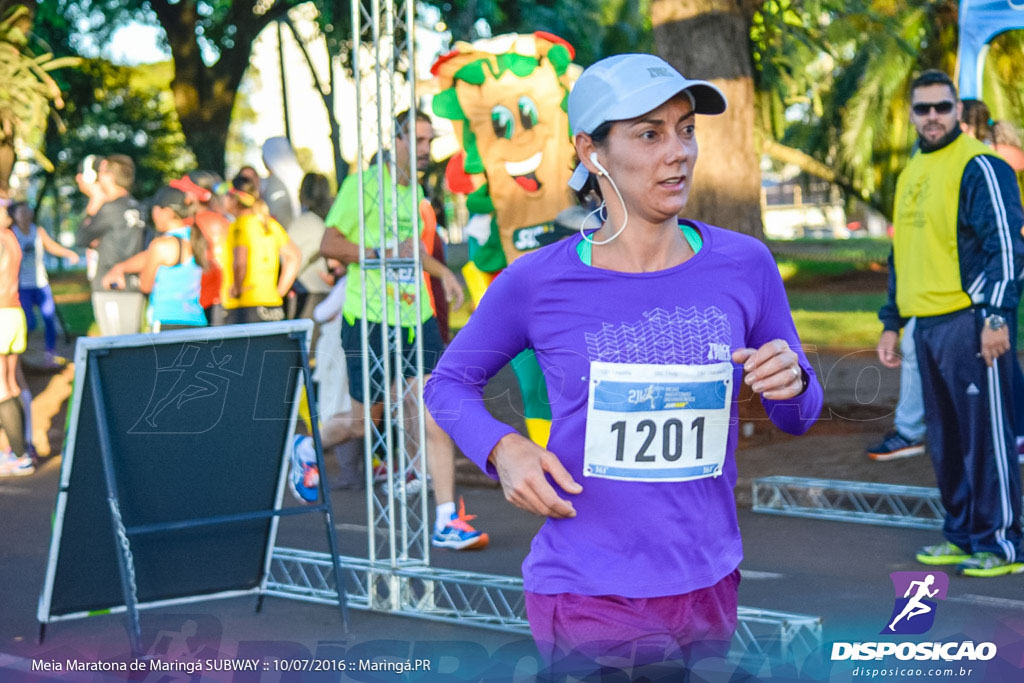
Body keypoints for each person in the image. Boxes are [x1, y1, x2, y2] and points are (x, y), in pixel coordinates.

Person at [424, 54, 823, 671]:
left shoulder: (745, 265)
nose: (680, 152)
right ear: (592, 152)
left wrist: (792, 381)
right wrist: (504, 449)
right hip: (588, 587)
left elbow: (798, 415)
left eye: (686, 129)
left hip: (709, 580)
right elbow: (448, 383)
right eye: (650, 134)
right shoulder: (537, 281)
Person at [297, 109, 486, 551]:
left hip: (415, 317)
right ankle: (309, 448)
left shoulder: (413, 190)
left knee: (434, 404)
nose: (424, 150)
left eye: (428, 141)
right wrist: (378, 251)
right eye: (417, 141)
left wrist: (444, 274)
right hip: (370, 319)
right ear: (396, 139)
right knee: (366, 424)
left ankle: (446, 519)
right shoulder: (362, 185)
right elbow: (329, 244)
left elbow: (414, 251)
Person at [877, 70, 1024, 577]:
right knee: (946, 441)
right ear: (912, 114)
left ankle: (1001, 543)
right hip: (928, 326)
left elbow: (1005, 247)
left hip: (972, 322)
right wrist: (893, 322)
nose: (933, 116)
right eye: (923, 108)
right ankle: (961, 535)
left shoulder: (980, 165)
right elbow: (902, 254)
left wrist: (998, 315)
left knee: (987, 438)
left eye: (942, 106)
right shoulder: (913, 169)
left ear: (958, 110)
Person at [101, 186, 208, 331]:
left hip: (168, 321)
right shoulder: (193, 237)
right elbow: (145, 258)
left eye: (155, 209)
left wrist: (125, 281)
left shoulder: (161, 245)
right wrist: (119, 268)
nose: (153, 214)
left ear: (167, 212)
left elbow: (145, 285)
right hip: (197, 320)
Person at [75, 154, 146, 335]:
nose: (99, 176)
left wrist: (95, 200)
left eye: (103, 172)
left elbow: (82, 237)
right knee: (131, 340)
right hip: (134, 285)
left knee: (115, 342)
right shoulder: (138, 206)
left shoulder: (110, 208)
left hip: (110, 286)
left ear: (111, 177)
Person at [220, 175, 301, 324]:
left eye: (225, 195)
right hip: (272, 306)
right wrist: (279, 292)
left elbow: (240, 262)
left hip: (244, 307)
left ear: (234, 198)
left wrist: (237, 289)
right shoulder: (269, 223)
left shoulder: (239, 226)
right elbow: (294, 256)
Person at [11, 202, 79, 365]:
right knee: (29, 322)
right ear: (15, 216)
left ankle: (50, 353)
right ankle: (22, 355)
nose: (25, 216)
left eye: (27, 212)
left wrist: (67, 253)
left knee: (49, 318)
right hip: (23, 285)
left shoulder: (38, 231)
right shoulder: (11, 234)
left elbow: (51, 246)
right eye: (21, 213)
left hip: (40, 283)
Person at [0, 198, 31, 476]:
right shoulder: (11, 236)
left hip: (2, 314)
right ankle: (17, 450)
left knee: (3, 387)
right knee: (9, 382)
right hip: (12, 313)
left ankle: (20, 456)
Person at [286, 172, 333, 322]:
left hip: (307, 294)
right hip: (327, 292)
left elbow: (286, 257)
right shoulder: (331, 221)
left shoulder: (304, 223)